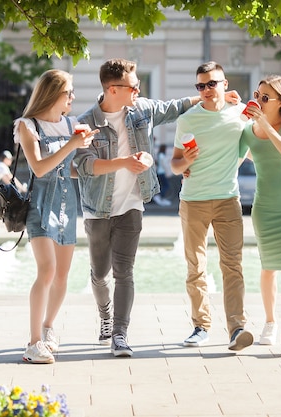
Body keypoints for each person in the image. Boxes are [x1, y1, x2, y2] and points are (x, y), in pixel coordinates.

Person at [74, 58, 242, 358]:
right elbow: (81, 166)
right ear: (113, 89)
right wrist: (123, 162)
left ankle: (120, 335)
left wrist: (213, 94)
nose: (139, 89)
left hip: (132, 204)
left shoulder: (140, 110)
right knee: (101, 274)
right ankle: (105, 315)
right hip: (98, 208)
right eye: (133, 86)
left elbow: (174, 107)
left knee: (124, 272)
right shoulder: (88, 122)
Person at [14, 69, 97, 364]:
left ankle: (48, 328)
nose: (73, 97)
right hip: (40, 204)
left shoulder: (71, 124)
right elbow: (38, 168)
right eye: (69, 92)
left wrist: (90, 159)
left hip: (67, 204)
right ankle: (33, 342)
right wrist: (73, 145)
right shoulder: (28, 126)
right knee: (47, 271)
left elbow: (69, 169)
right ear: (54, 94)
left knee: (62, 275)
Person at [170, 61, 253, 351]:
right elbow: (175, 164)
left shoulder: (238, 116)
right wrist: (187, 162)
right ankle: (200, 326)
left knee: (233, 266)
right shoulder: (188, 120)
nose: (206, 90)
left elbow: (249, 148)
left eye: (211, 84)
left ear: (225, 84)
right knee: (196, 267)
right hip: (193, 201)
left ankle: (237, 328)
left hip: (228, 200)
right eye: (200, 85)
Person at [239, 75, 281, 355]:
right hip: (264, 207)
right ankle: (269, 323)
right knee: (268, 268)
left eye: (266, 97)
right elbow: (233, 157)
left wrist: (266, 125)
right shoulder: (247, 131)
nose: (259, 99)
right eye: (258, 94)